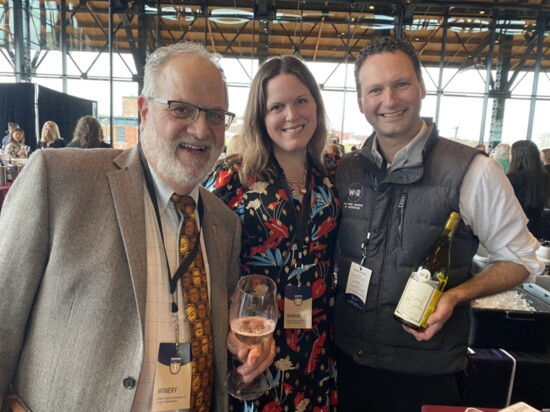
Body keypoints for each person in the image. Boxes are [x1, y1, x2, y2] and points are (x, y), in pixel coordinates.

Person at [0, 42, 275, 412]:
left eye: (214, 115)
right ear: (144, 110)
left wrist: (237, 346)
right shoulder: (59, 180)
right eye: (181, 109)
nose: (200, 128)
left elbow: (218, 327)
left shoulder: (224, 223)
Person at [334, 37, 543, 412]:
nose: (389, 100)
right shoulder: (347, 170)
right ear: (361, 101)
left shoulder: (473, 170)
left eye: (400, 84)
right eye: (375, 90)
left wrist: (456, 296)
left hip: (425, 374)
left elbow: (522, 259)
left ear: (421, 87)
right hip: (346, 364)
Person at [204, 55, 339, 411]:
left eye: (300, 101)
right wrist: (227, 333)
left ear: (315, 104)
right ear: (261, 118)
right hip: (254, 343)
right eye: (276, 106)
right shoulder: (232, 177)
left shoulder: (330, 176)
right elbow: (200, 263)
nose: (291, 116)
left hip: (315, 343)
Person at [507, 140, 549, 239]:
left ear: (517, 156)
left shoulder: (513, 178)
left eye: (510, 153)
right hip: (538, 225)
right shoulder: (545, 176)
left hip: (515, 226)